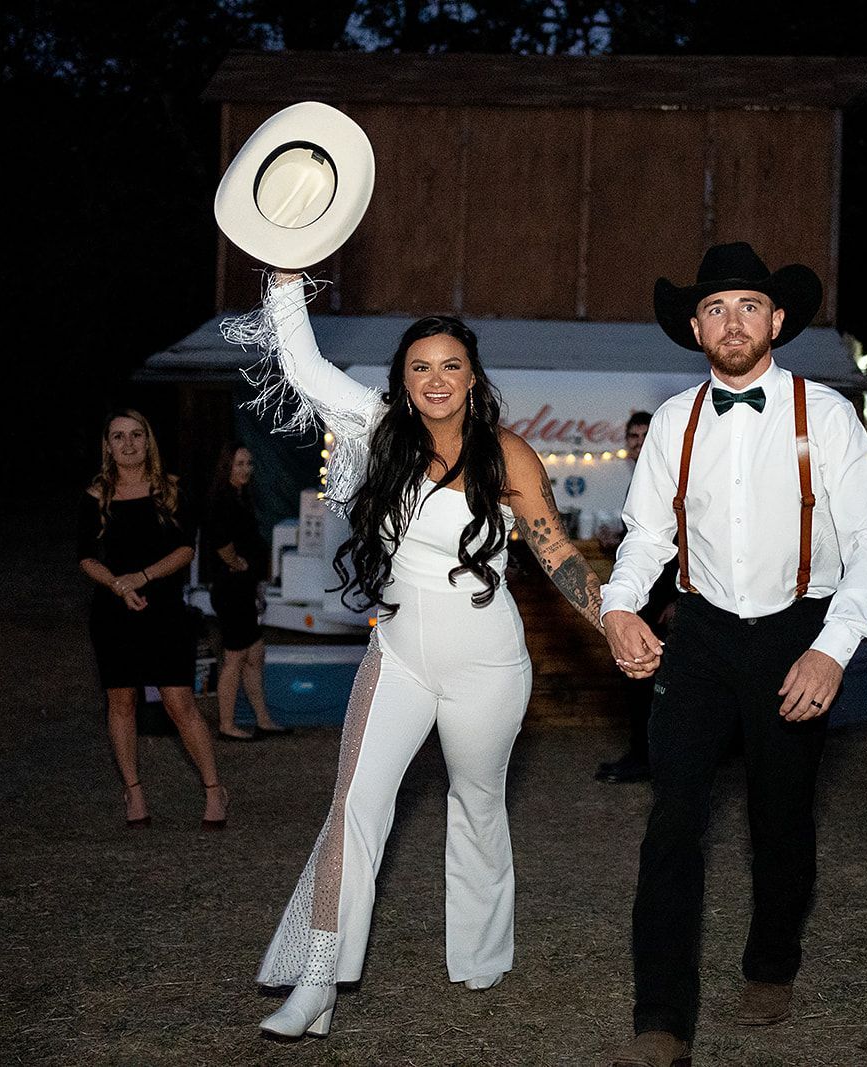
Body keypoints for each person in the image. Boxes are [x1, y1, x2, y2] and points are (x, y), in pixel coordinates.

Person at [245, 273, 606, 1041]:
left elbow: (557, 554)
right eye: (420, 367)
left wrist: (615, 622)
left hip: (488, 665)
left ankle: (481, 951)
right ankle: (317, 979)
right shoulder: (378, 432)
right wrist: (284, 285)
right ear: (403, 381)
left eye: (450, 365)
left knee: (477, 801)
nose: (436, 379)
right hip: (398, 656)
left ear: (472, 378)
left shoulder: (507, 455)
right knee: (353, 806)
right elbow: (304, 366)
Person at [598, 243, 867, 1067]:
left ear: (778, 320)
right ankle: (662, 1019)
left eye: (749, 306)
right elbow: (647, 535)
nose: (733, 322)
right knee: (673, 819)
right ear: (696, 328)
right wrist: (618, 605)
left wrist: (833, 649)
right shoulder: (673, 422)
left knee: (781, 812)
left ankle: (771, 960)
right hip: (699, 634)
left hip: (799, 630)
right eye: (717, 309)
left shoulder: (826, 416)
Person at [78, 410, 227, 830]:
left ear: (148, 441)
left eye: (136, 435)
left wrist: (141, 578)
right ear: (107, 446)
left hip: (164, 609)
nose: (128, 444)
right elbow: (85, 556)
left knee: (179, 702)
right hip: (113, 611)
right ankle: (134, 791)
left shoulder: (172, 491)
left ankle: (214, 789)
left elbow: (185, 549)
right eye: (118, 437)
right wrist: (118, 585)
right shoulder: (96, 496)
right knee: (121, 702)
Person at [593, 411, 677, 785]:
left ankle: (649, 759)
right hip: (643, 598)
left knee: (652, 684)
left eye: (645, 436)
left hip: (667, 600)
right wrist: (616, 540)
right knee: (637, 678)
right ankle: (644, 755)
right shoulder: (640, 481)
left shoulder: (669, 477)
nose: (639, 443)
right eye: (633, 437)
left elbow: (686, 543)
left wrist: (679, 600)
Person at [202, 443, 288, 740]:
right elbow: (219, 537)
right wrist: (234, 561)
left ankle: (263, 720)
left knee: (255, 653)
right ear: (226, 466)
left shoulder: (241, 497)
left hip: (243, 588)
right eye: (239, 464)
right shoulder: (222, 500)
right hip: (230, 589)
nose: (246, 469)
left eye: (249, 463)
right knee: (235, 656)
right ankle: (226, 725)